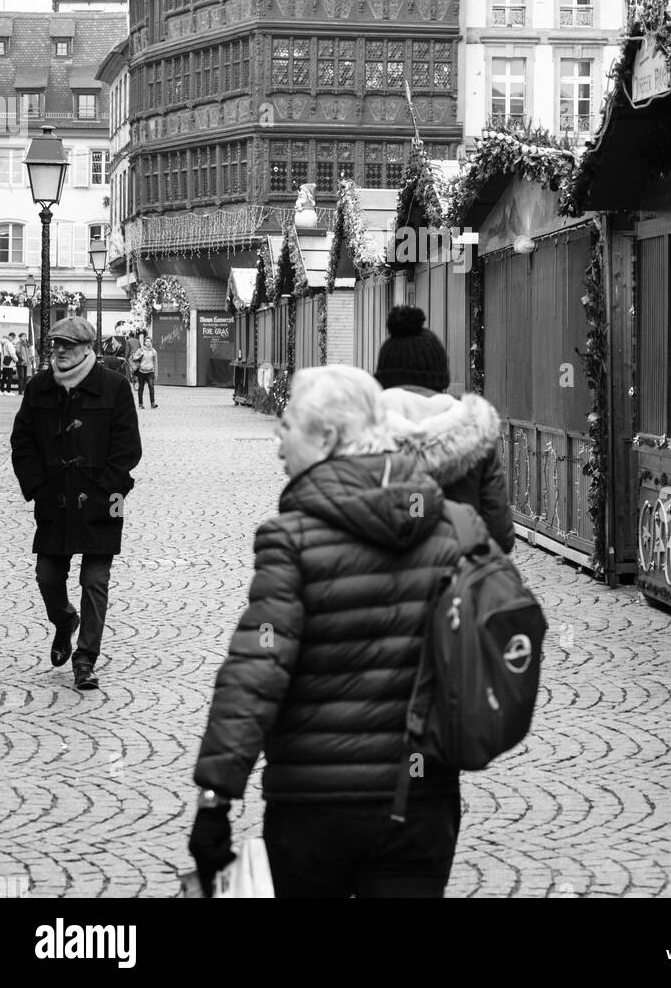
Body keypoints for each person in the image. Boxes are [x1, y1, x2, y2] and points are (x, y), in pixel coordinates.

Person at [189, 365, 465, 899]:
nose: (277, 439)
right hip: (420, 802)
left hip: (314, 810)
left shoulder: (291, 539)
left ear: (329, 438)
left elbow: (259, 665)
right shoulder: (445, 525)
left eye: (287, 425)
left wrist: (215, 799)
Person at [10, 316, 142, 692]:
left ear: (88, 348)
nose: (61, 351)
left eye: (69, 345)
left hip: (105, 499)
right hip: (54, 500)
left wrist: (107, 489)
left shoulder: (114, 387)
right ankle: (65, 621)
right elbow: (22, 442)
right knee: (47, 576)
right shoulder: (40, 388)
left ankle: (85, 659)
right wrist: (38, 487)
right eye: (57, 345)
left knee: (94, 580)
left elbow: (128, 447)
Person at [374, 306, 514, 555]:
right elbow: (499, 534)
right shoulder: (474, 432)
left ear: (383, 377)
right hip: (456, 576)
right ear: (441, 377)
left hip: (386, 582)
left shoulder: (360, 434)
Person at [131, 333, 158, 409]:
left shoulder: (154, 351)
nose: (148, 343)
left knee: (151, 387)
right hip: (141, 371)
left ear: (151, 343)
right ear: (144, 343)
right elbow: (134, 358)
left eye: (150, 341)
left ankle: (153, 403)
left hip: (150, 371)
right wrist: (140, 355)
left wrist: (156, 374)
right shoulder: (140, 350)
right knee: (141, 388)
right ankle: (140, 404)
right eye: (147, 341)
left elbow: (155, 363)